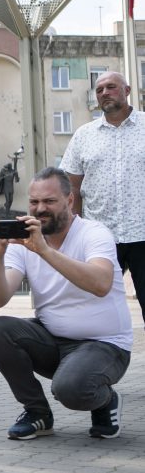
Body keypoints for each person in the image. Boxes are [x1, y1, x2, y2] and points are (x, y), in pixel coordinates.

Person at [0, 167, 132, 441]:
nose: (40, 209)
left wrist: (45, 251)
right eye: (34, 202)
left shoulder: (94, 233)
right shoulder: (23, 242)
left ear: (69, 200)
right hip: (53, 341)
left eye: (49, 201)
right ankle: (38, 414)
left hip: (105, 345)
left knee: (71, 389)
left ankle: (105, 400)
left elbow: (101, 283)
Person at [61, 70, 145, 326]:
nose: (104, 93)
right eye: (99, 89)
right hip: (101, 238)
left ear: (127, 91)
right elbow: (71, 191)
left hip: (143, 234)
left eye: (111, 87)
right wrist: (74, 236)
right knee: (95, 310)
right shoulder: (83, 135)